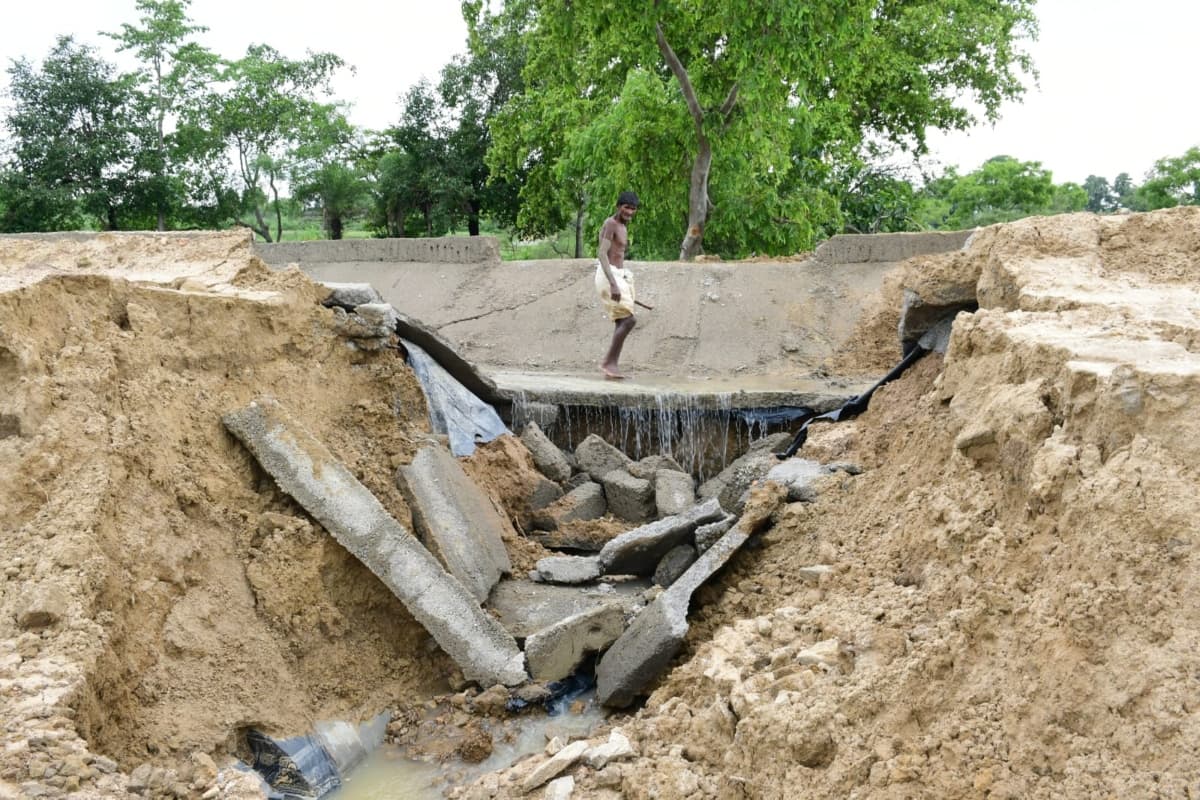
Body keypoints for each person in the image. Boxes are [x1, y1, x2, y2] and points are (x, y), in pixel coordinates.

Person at [595, 191, 652, 379]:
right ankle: (608, 362)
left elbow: (619, 256)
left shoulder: (623, 227)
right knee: (629, 320)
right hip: (608, 274)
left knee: (622, 320)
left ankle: (612, 365)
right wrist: (613, 284)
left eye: (633, 209)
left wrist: (624, 284)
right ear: (618, 206)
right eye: (626, 207)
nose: (629, 212)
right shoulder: (610, 224)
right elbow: (602, 254)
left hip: (618, 275)